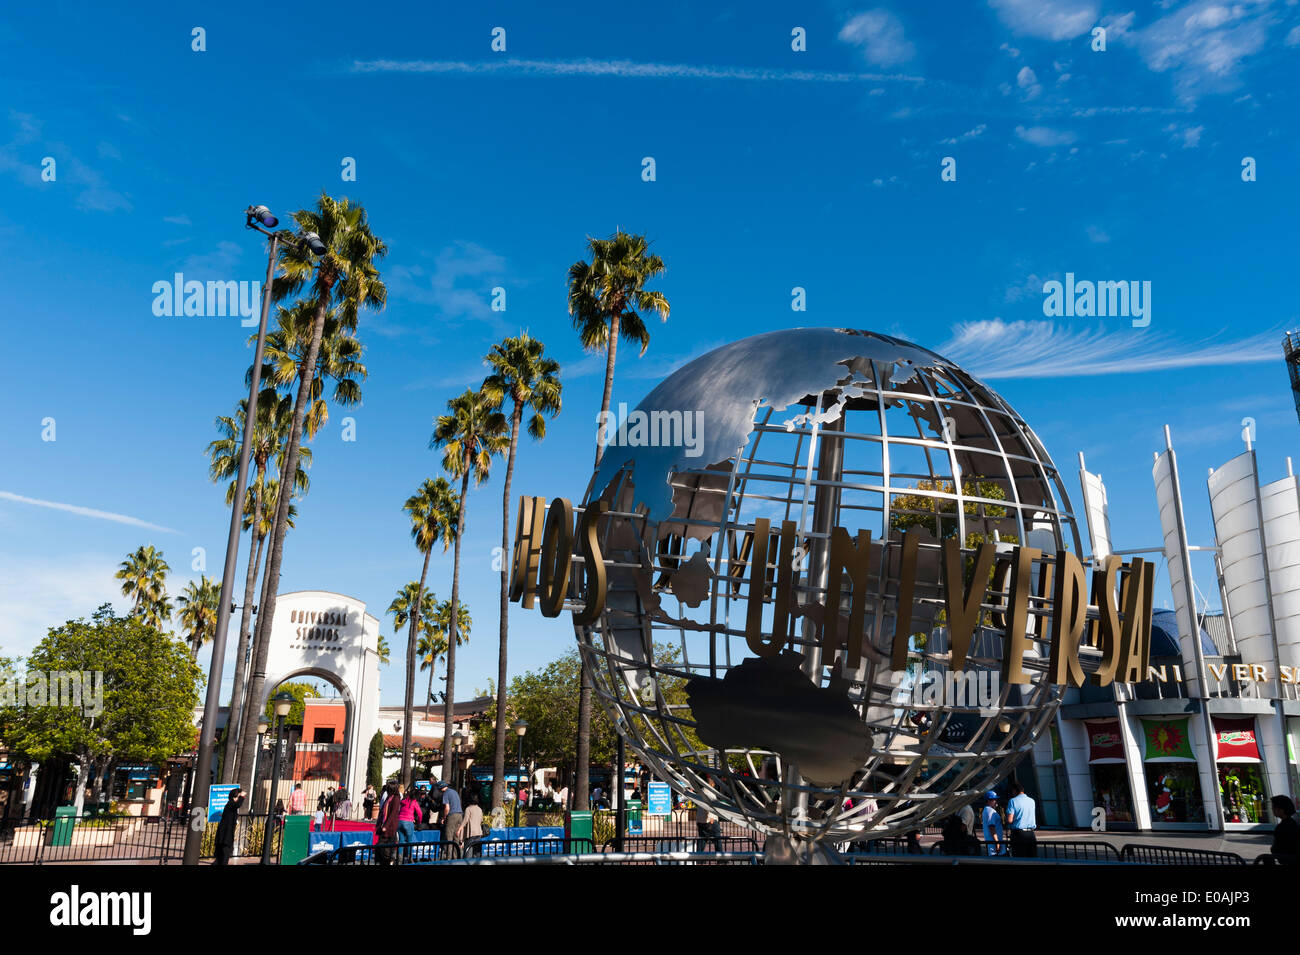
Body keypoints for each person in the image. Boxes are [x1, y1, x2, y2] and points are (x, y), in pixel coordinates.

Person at [1260, 794, 1300, 865]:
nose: (1272, 809)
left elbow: (1276, 849)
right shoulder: (1296, 821)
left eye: (1273, 807)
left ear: (1280, 810)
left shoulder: (1282, 827)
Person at [1004, 781, 1037, 858]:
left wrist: (1005, 820)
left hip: (1018, 834)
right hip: (1031, 834)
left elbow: (1009, 820)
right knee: (1032, 859)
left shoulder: (1013, 801)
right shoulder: (1032, 801)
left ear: (1014, 790)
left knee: (1019, 858)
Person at [213, 787, 245, 865]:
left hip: (226, 834)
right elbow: (237, 805)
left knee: (222, 855)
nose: (238, 798)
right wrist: (242, 796)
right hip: (225, 834)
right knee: (224, 855)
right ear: (233, 797)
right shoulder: (231, 803)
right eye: (237, 797)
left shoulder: (230, 805)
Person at [374, 781, 403, 865]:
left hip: (390, 826)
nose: (387, 790)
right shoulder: (389, 797)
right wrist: (379, 823)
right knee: (382, 847)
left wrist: (385, 826)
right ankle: (386, 861)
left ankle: (390, 861)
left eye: (388, 788)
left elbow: (393, 813)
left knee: (386, 847)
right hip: (384, 824)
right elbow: (383, 810)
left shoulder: (396, 798)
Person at [396, 784, 422, 862]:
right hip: (408, 822)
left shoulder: (403, 801)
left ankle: (400, 859)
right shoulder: (414, 802)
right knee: (409, 841)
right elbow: (420, 813)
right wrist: (419, 822)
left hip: (399, 821)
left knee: (401, 841)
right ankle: (410, 858)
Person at [438, 779, 464, 848]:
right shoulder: (454, 792)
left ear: (440, 789)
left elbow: (447, 808)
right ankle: (457, 857)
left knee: (449, 837)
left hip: (452, 815)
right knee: (456, 837)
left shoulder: (446, 793)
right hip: (460, 815)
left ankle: (449, 857)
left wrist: (444, 817)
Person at [981, 790, 1006, 856]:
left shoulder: (987, 810)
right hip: (994, 844)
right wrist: (997, 843)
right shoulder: (989, 811)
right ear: (988, 801)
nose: (996, 801)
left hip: (993, 843)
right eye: (994, 799)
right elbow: (991, 827)